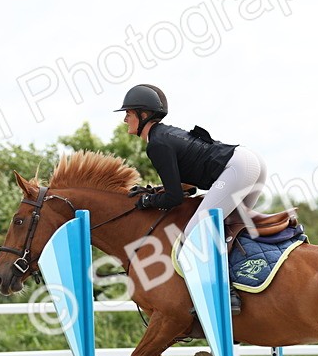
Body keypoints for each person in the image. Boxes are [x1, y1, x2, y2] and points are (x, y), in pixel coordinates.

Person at [115, 83, 268, 313]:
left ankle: (226, 293)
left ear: (143, 115)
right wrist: (156, 191)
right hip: (250, 163)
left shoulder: (157, 144)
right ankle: (247, 282)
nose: (125, 119)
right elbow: (186, 187)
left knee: (194, 235)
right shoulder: (165, 134)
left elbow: (174, 197)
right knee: (229, 229)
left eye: (128, 113)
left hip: (238, 169)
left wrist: (148, 201)